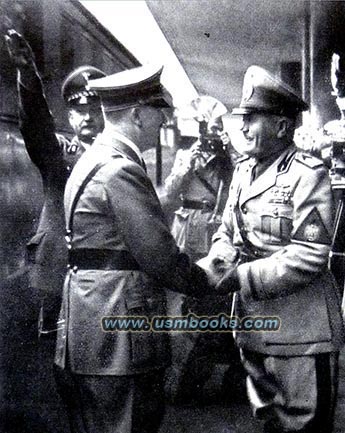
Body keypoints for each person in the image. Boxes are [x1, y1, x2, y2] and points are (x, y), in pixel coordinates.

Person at [53, 64, 210, 433]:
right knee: (127, 422)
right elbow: (160, 256)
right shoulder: (119, 169)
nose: (163, 120)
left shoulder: (95, 159)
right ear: (138, 114)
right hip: (118, 338)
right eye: (159, 111)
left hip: (88, 323)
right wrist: (208, 281)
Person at [199, 65, 345, 433]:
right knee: (269, 423)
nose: (243, 128)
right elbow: (227, 230)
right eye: (241, 118)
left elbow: (309, 256)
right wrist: (217, 259)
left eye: (252, 118)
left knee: (303, 427)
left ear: (282, 127)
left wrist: (239, 276)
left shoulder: (308, 174)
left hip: (302, 334)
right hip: (254, 327)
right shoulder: (244, 171)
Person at [5, 29, 105, 335]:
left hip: (104, 274)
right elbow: (36, 127)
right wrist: (27, 73)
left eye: (93, 109)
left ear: (104, 113)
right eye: (78, 110)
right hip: (58, 271)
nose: (86, 117)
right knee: (55, 349)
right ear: (69, 115)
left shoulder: (119, 157)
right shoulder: (58, 152)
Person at [164, 96, 241, 404]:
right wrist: (184, 166)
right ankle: (187, 368)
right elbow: (170, 194)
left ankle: (208, 365)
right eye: (205, 128)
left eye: (214, 128)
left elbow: (243, 180)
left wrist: (229, 150)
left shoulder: (227, 159)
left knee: (217, 296)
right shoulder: (185, 154)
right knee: (186, 300)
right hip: (186, 228)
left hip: (213, 230)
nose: (208, 135)